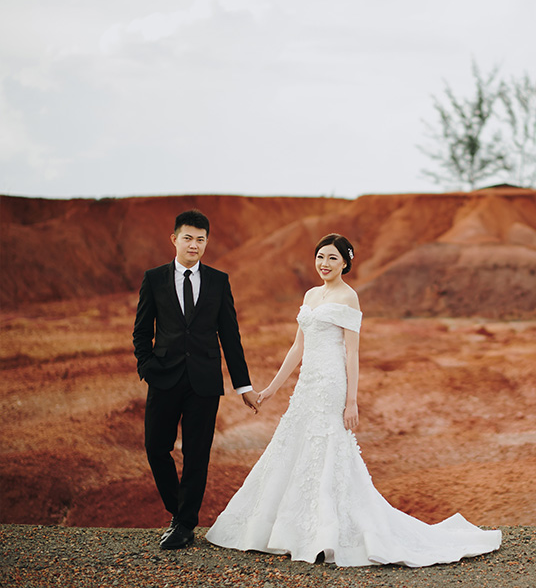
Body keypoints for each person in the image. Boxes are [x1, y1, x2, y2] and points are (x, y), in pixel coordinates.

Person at [206, 233, 501, 567]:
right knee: (295, 445)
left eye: (332, 258)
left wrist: (351, 402)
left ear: (345, 262)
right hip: (306, 384)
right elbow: (297, 348)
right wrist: (271, 389)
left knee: (328, 449)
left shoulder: (349, 297)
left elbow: (352, 352)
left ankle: (326, 534)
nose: (324, 264)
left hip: (332, 384)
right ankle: (291, 530)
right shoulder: (310, 294)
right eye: (320, 256)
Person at [133, 210, 259, 550]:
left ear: (207, 242)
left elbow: (230, 336)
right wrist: (146, 366)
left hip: (204, 381)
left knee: (196, 453)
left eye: (201, 239)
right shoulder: (155, 278)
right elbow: (142, 331)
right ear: (174, 239)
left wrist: (243, 385)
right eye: (188, 237)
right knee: (156, 447)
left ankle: (185, 524)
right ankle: (180, 511)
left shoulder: (219, 281)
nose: (194, 244)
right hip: (164, 378)